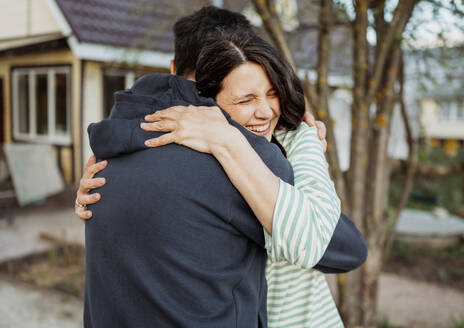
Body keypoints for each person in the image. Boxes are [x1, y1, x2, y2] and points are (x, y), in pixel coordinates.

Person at [78, 6, 367, 328]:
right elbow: (343, 248)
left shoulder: (115, 150)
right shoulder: (239, 160)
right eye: (243, 98)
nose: (264, 112)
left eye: (269, 93)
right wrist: (303, 145)